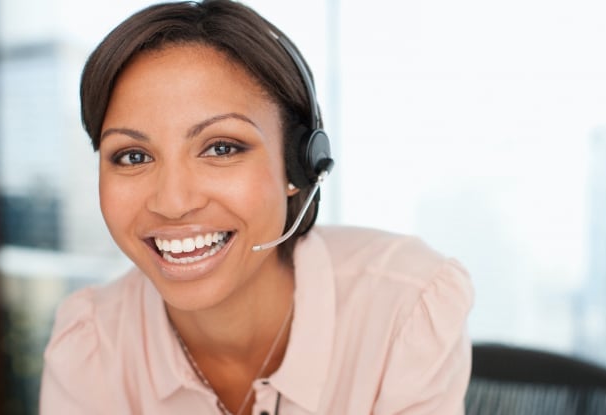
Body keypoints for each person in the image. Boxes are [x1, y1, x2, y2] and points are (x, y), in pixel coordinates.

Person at [39, 1, 473, 414]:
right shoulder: (91, 342)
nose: (172, 203)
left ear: (298, 165)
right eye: (133, 156)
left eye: (221, 148)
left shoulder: (406, 306)